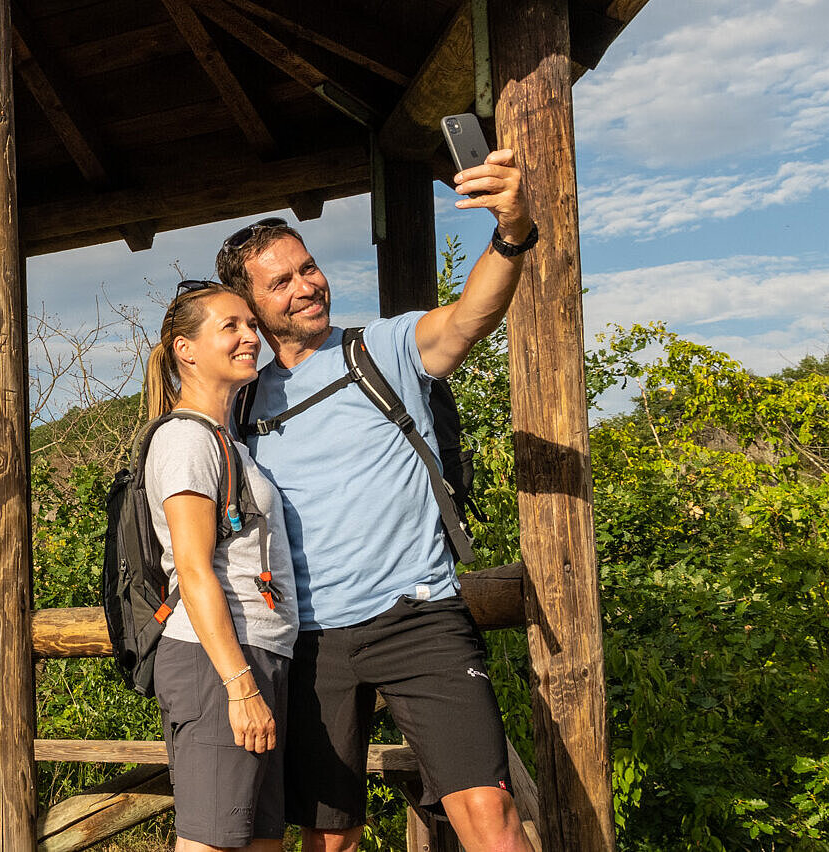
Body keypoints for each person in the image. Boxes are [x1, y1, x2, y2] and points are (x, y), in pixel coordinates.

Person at [214, 149, 535, 852]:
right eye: (282, 282)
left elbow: (468, 318)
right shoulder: (240, 405)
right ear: (252, 307)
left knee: (491, 815)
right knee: (329, 838)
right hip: (308, 640)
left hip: (418, 616)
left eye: (308, 268)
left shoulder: (380, 350)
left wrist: (511, 233)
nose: (306, 286)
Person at [139, 280, 302, 852]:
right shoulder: (186, 439)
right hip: (218, 663)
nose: (250, 337)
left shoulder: (224, 439)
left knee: (258, 842)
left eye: (251, 325)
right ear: (185, 350)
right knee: (211, 843)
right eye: (230, 326)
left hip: (255, 653)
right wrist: (240, 685)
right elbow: (193, 569)